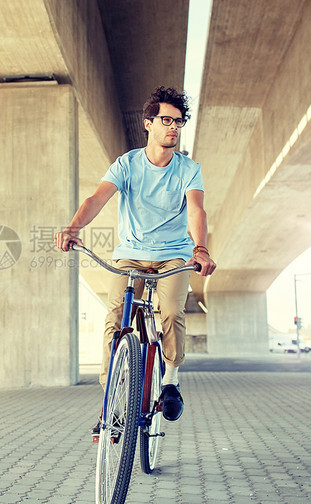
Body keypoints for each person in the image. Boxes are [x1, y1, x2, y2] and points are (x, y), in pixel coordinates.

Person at [54, 86, 215, 429]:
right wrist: (73, 227)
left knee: (170, 310)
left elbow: (196, 211)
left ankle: (170, 379)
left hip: (173, 256)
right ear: (148, 123)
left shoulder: (189, 169)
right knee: (116, 316)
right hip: (131, 256)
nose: (174, 127)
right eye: (167, 120)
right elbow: (97, 199)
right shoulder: (127, 164)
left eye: (179, 122)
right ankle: (111, 396)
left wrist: (200, 248)